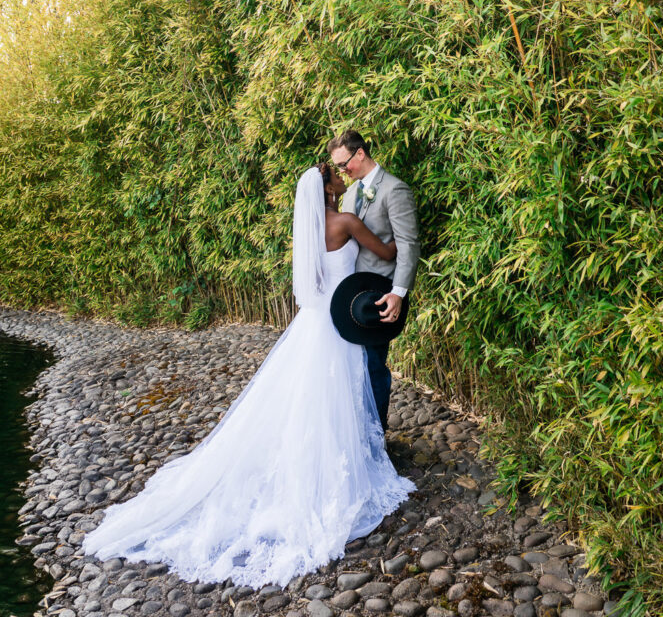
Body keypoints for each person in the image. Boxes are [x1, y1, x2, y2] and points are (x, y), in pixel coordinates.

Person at [82, 164, 414, 589]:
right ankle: (341, 467)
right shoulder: (345, 221)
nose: (340, 178)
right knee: (338, 392)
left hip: (313, 321)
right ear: (328, 188)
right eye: (334, 175)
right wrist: (399, 236)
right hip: (340, 322)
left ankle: (318, 460)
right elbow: (385, 252)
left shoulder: (309, 228)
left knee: (308, 396)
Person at [328, 131, 419, 431]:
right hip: (351, 296)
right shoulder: (351, 193)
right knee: (355, 368)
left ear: (360, 153)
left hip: (380, 295)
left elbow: (408, 244)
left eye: (344, 164)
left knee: (374, 366)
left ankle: (376, 438)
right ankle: (357, 433)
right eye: (338, 167)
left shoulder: (395, 189)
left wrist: (398, 293)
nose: (342, 171)